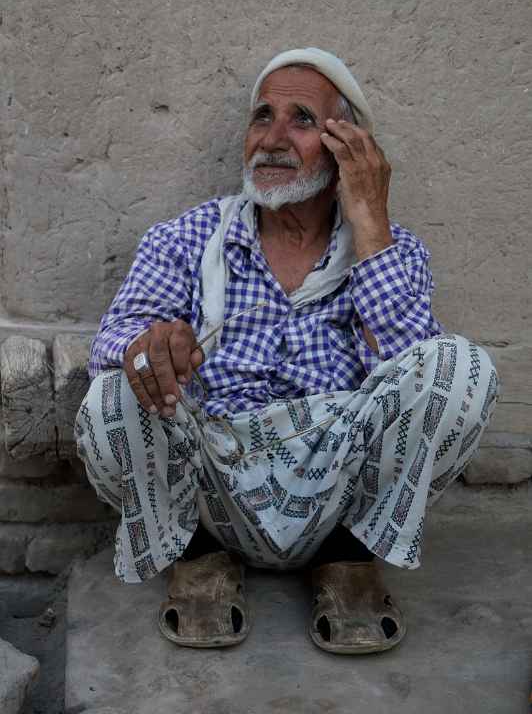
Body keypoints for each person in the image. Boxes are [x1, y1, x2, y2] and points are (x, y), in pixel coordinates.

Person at [75, 47, 499, 654]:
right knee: (115, 388)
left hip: (337, 485)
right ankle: (197, 559)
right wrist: (149, 347)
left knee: (462, 369)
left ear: (346, 146)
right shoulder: (190, 236)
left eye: (301, 120)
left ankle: (346, 559)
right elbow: (112, 341)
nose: (272, 139)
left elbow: (415, 374)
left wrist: (370, 219)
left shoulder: (392, 250)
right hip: (207, 482)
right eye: (261, 117)